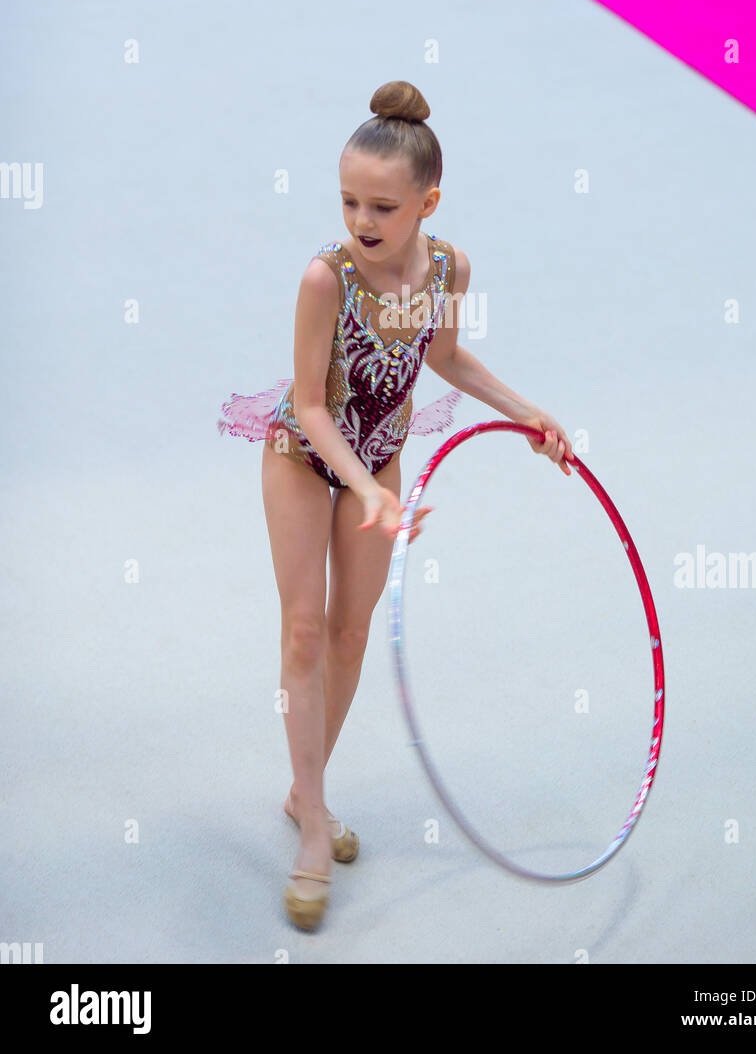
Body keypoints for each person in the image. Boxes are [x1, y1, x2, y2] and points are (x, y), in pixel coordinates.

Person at [217, 79, 574, 930]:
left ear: (428, 202)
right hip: (305, 460)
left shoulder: (449, 266)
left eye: (382, 205)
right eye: (348, 202)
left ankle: (304, 793)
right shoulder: (324, 278)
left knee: (350, 634)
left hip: (380, 458)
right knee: (305, 628)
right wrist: (368, 486)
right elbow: (308, 404)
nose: (362, 221)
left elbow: (446, 358)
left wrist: (527, 411)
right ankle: (314, 828)